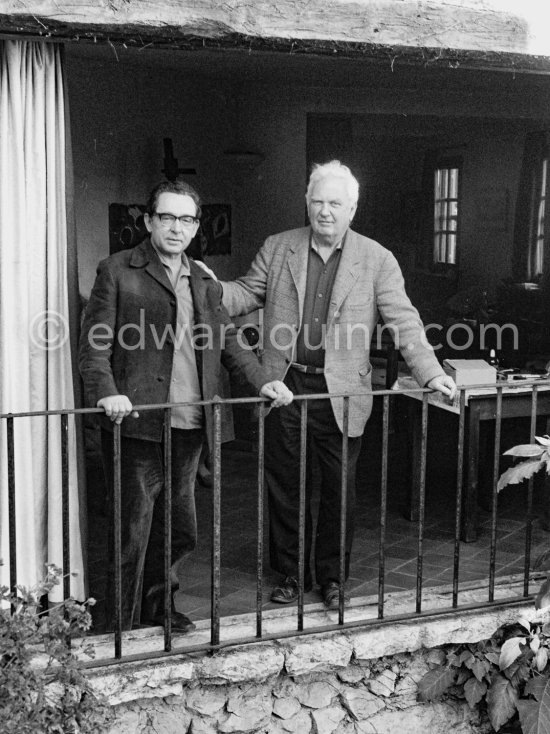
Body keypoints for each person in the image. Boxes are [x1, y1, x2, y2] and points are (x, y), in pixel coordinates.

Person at [221, 160, 456, 610]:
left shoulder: (376, 258)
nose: (324, 211)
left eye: (334, 203)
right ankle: (289, 573)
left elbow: (404, 321)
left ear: (352, 208)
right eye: (317, 201)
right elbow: (246, 293)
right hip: (283, 386)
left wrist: (431, 372)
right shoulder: (279, 247)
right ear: (307, 204)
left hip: (343, 392)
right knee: (284, 485)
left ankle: (331, 578)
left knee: (339, 489)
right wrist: (209, 290)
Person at [79, 179, 292, 632]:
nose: (178, 227)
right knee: (132, 532)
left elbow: (229, 343)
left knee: (179, 529)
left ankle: (159, 608)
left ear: (197, 227)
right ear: (150, 220)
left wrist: (264, 382)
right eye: (168, 217)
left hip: (192, 424)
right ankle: (118, 626)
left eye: (187, 219)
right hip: (136, 424)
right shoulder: (117, 271)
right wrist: (106, 392)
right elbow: (94, 348)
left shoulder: (204, 280)